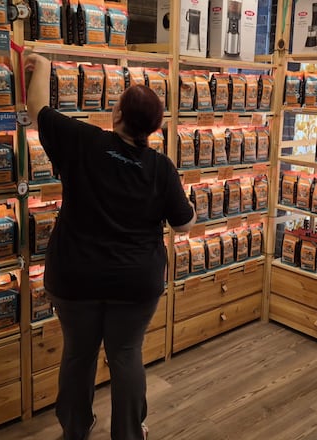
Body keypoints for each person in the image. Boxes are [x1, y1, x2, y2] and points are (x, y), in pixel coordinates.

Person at [24, 52, 196, 440]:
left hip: (75, 277)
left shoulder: (82, 141)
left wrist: (44, 66)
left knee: (78, 354)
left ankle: (76, 430)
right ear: (154, 128)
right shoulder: (160, 168)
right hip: (135, 282)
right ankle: (129, 434)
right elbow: (183, 225)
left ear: (116, 115)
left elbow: (37, 108)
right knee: (125, 354)